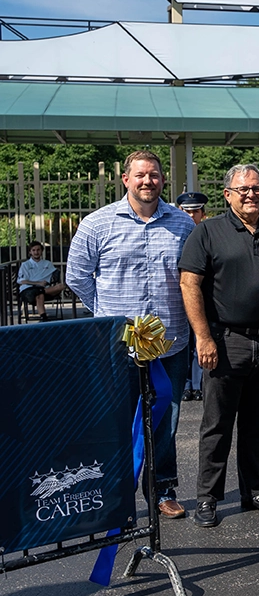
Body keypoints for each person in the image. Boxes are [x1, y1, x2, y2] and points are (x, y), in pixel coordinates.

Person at [66, 150, 195, 520]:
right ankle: (118, 494)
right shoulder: (97, 224)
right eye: (140, 175)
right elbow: (77, 277)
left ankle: (162, 490)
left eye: (153, 175)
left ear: (162, 180)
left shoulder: (183, 225)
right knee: (118, 422)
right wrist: (108, 316)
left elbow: (192, 278)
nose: (147, 182)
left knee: (166, 419)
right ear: (126, 179)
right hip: (118, 346)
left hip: (171, 343)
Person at [179, 164, 259, 528]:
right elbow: (189, 284)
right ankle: (208, 498)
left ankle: (254, 491)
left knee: (257, 424)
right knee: (217, 424)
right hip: (224, 341)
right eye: (243, 188)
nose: (251, 193)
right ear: (228, 194)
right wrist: (203, 337)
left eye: (257, 187)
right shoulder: (207, 232)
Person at [176, 191, 209, 402]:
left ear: (202, 214)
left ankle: (198, 384)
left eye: (195, 211)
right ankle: (187, 384)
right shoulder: (176, 232)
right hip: (179, 295)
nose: (190, 216)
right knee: (184, 343)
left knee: (200, 340)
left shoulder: (207, 234)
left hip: (202, 295)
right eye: (186, 211)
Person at [17, 241, 66, 321]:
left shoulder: (48, 264)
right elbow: (22, 281)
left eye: (38, 250)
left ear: (41, 251)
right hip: (29, 290)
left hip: (45, 289)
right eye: (34, 250)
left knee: (61, 286)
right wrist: (38, 283)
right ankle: (44, 317)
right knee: (39, 294)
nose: (36, 252)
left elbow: (53, 277)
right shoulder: (25, 265)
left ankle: (43, 317)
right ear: (30, 252)